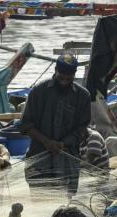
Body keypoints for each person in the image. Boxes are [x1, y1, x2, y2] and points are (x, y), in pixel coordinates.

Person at [19, 53, 91, 196]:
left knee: (65, 206)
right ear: (55, 69)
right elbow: (25, 124)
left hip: (67, 161)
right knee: (40, 201)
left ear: (75, 74)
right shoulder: (38, 91)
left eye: (68, 78)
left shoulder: (83, 96)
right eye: (61, 77)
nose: (64, 81)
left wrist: (63, 143)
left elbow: (82, 128)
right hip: (39, 159)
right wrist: (46, 142)